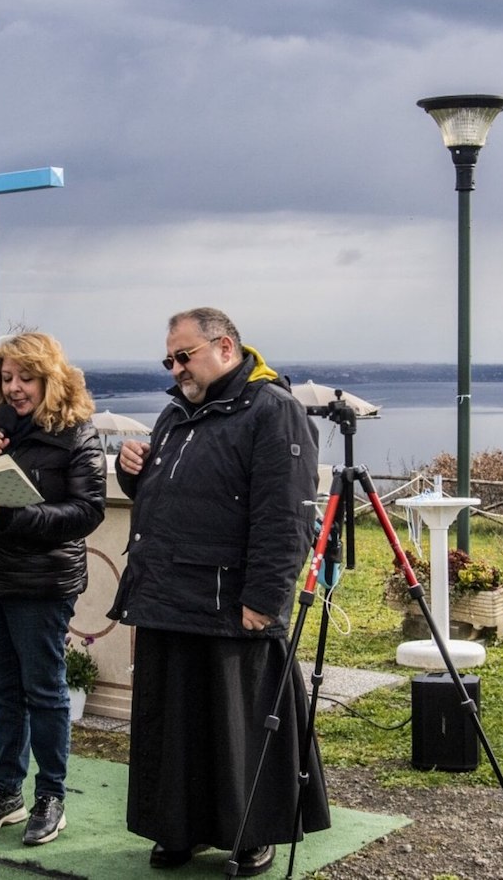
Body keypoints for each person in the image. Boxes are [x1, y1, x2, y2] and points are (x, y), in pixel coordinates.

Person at [108, 307, 331, 874]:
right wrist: (133, 469)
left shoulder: (273, 410)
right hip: (166, 596)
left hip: (233, 602)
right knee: (174, 728)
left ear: (225, 347)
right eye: (169, 358)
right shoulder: (175, 413)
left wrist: (267, 596)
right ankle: (177, 830)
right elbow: (168, 491)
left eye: (184, 356)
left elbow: (287, 514)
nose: (175, 367)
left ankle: (252, 833)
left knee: (241, 729)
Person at [0, 333, 107, 845]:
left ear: (49, 379)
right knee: (1, 690)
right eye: (7, 378)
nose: (14, 388)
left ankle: (51, 797)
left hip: (41, 581)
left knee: (44, 691)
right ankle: (7, 793)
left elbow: (87, 511)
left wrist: (18, 515)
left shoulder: (76, 433)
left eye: (25, 378)